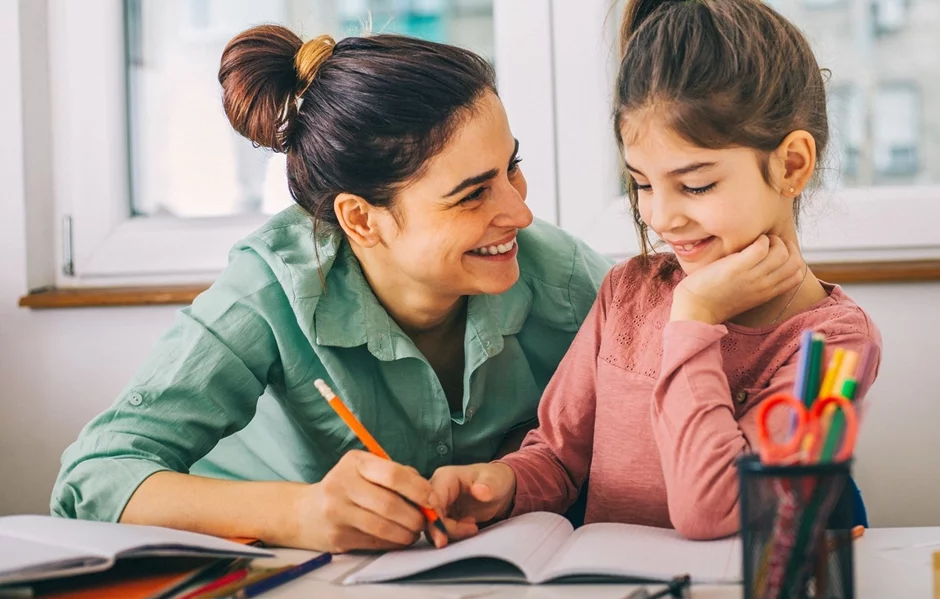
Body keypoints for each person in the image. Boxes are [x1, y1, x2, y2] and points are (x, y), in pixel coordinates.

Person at [51, 26, 612, 553]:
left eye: (511, 168)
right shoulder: (268, 289)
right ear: (361, 220)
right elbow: (92, 479)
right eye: (472, 195)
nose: (520, 210)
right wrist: (299, 513)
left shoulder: (562, 279)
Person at [430, 0, 882, 540]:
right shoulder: (628, 293)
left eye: (695, 185)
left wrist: (694, 320)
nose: (660, 216)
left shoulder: (832, 347)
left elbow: (712, 511)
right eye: (643, 184)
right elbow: (557, 458)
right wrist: (499, 485)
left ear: (791, 165)